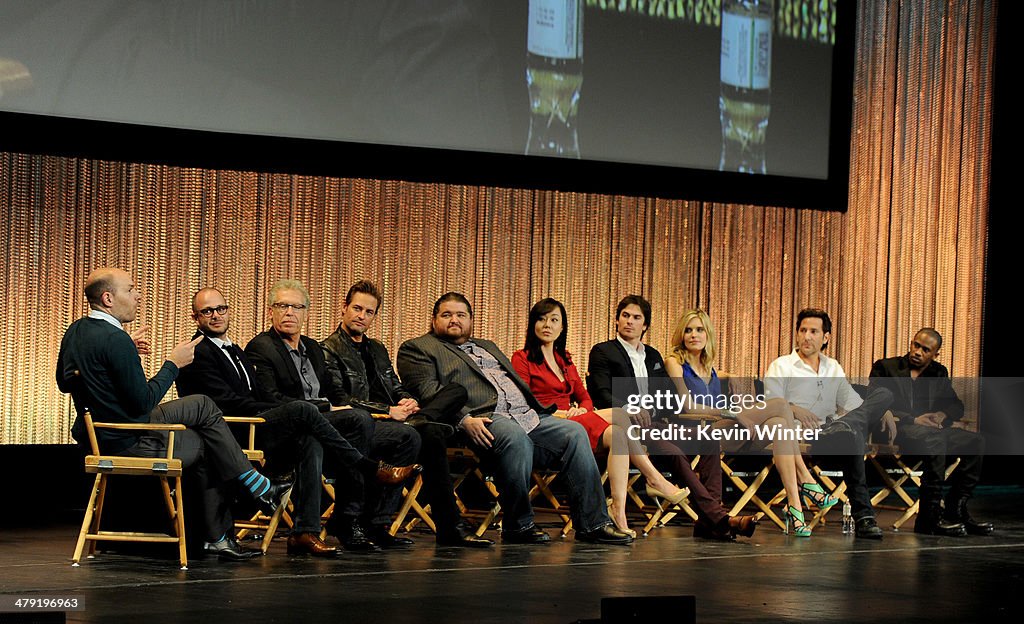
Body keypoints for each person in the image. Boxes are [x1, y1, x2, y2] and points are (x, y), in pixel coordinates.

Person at [56, 268, 290, 561]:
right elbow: (144, 402)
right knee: (207, 443)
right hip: (129, 436)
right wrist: (173, 364)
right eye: (130, 290)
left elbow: (64, 382)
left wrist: (117, 360)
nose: (138, 295)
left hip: (105, 430)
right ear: (108, 298)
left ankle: (252, 494)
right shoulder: (114, 339)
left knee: (202, 404)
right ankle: (228, 524)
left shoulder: (77, 330)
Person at [176, 287, 420, 557]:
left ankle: (307, 530)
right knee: (320, 413)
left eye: (220, 309)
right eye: (207, 311)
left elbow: (269, 393)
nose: (215, 315)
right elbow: (229, 403)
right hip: (237, 431)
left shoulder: (235, 348)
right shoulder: (203, 351)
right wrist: (299, 409)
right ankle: (365, 475)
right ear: (194, 317)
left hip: (282, 422)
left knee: (321, 432)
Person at [396, 292, 633, 545]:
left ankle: (593, 524)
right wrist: (464, 419)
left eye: (461, 315)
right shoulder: (418, 348)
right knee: (514, 436)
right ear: (433, 320)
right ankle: (518, 525)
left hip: (528, 415)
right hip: (482, 419)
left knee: (573, 433)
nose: (454, 320)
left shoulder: (487, 345)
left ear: (471, 320)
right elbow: (429, 393)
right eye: (447, 315)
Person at [244, 279, 421, 552]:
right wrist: (333, 409)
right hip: (288, 430)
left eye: (297, 307)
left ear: (306, 313)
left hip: (331, 425)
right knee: (354, 421)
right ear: (270, 311)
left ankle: (376, 523)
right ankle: (347, 519)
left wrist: (400, 403)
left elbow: (336, 395)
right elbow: (270, 400)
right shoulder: (261, 347)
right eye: (282, 306)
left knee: (406, 435)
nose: (289, 312)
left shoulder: (312, 348)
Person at [320, 280, 493, 547]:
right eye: (357, 308)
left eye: (369, 312)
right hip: (361, 424)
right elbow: (341, 400)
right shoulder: (327, 349)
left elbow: (394, 384)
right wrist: (388, 410)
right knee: (425, 434)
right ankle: (437, 526)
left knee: (456, 392)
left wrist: (407, 400)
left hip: (396, 418)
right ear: (344, 308)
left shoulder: (376, 348)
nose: (362, 316)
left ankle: (420, 419)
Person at [511, 297, 688, 538]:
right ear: (533, 324)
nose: (547, 325)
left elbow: (585, 397)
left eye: (554, 320)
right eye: (541, 319)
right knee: (621, 414)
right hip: (545, 424)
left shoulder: (565, 359)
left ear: (562, 327)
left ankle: (619, 511)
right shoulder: (521, 358)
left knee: (617, 434)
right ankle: (654, 478)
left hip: (574, 422)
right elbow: (524, 401)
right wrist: (561, 412)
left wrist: (582, 410)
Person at [587, 294, 757, 541]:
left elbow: (669, 398)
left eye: (637, 318)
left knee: (709, 438)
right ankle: (720, 519)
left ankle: (709, 522)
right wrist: (630, 408)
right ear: (616, 320)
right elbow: (601, 394)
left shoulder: (653, 356)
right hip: (626, 426)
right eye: (625, 316)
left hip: (658, 423)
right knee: (672, 451)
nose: (630, 322)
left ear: (645, 325)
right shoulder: (603, 351)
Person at [665, 308, 837, 537]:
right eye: (688, 330)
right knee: (780, 404)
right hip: (700, 432)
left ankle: (796, 507)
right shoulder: (674, 362)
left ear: (708, 335)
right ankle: (805, 481)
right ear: (681, 335)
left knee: (779, 424)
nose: (693, 335)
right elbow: (689, 407)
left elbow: (733, 386)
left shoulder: (711, 368)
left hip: (724, 433)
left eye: (699, 330)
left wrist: (738, 388)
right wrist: (733, 414)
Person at [763, 308, 894, 540]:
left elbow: (852, 402)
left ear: (825, 337)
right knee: (852, 435)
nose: (807, 336)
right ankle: (864, 516)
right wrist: (794, 408)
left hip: (831, 432)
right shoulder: (782, 365)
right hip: (797, 436)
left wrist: (882, 410)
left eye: (813, 331)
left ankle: (845, 427)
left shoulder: (833, 367)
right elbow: (770, 405)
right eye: (802, 330)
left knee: (883, 395)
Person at [869, 328, 992, 536]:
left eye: (925, 350)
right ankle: (928, 518)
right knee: (935, 439)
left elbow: (956, 405)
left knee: (976, 441)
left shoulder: (938, 372)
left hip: (930, 431)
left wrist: (943, 414)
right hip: (896, 429)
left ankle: (956, 511)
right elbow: (874, 402)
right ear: (911, 343)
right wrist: (914, 419)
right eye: (915, 345)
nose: (917, 351)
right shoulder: (886, 367)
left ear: (935, 354)